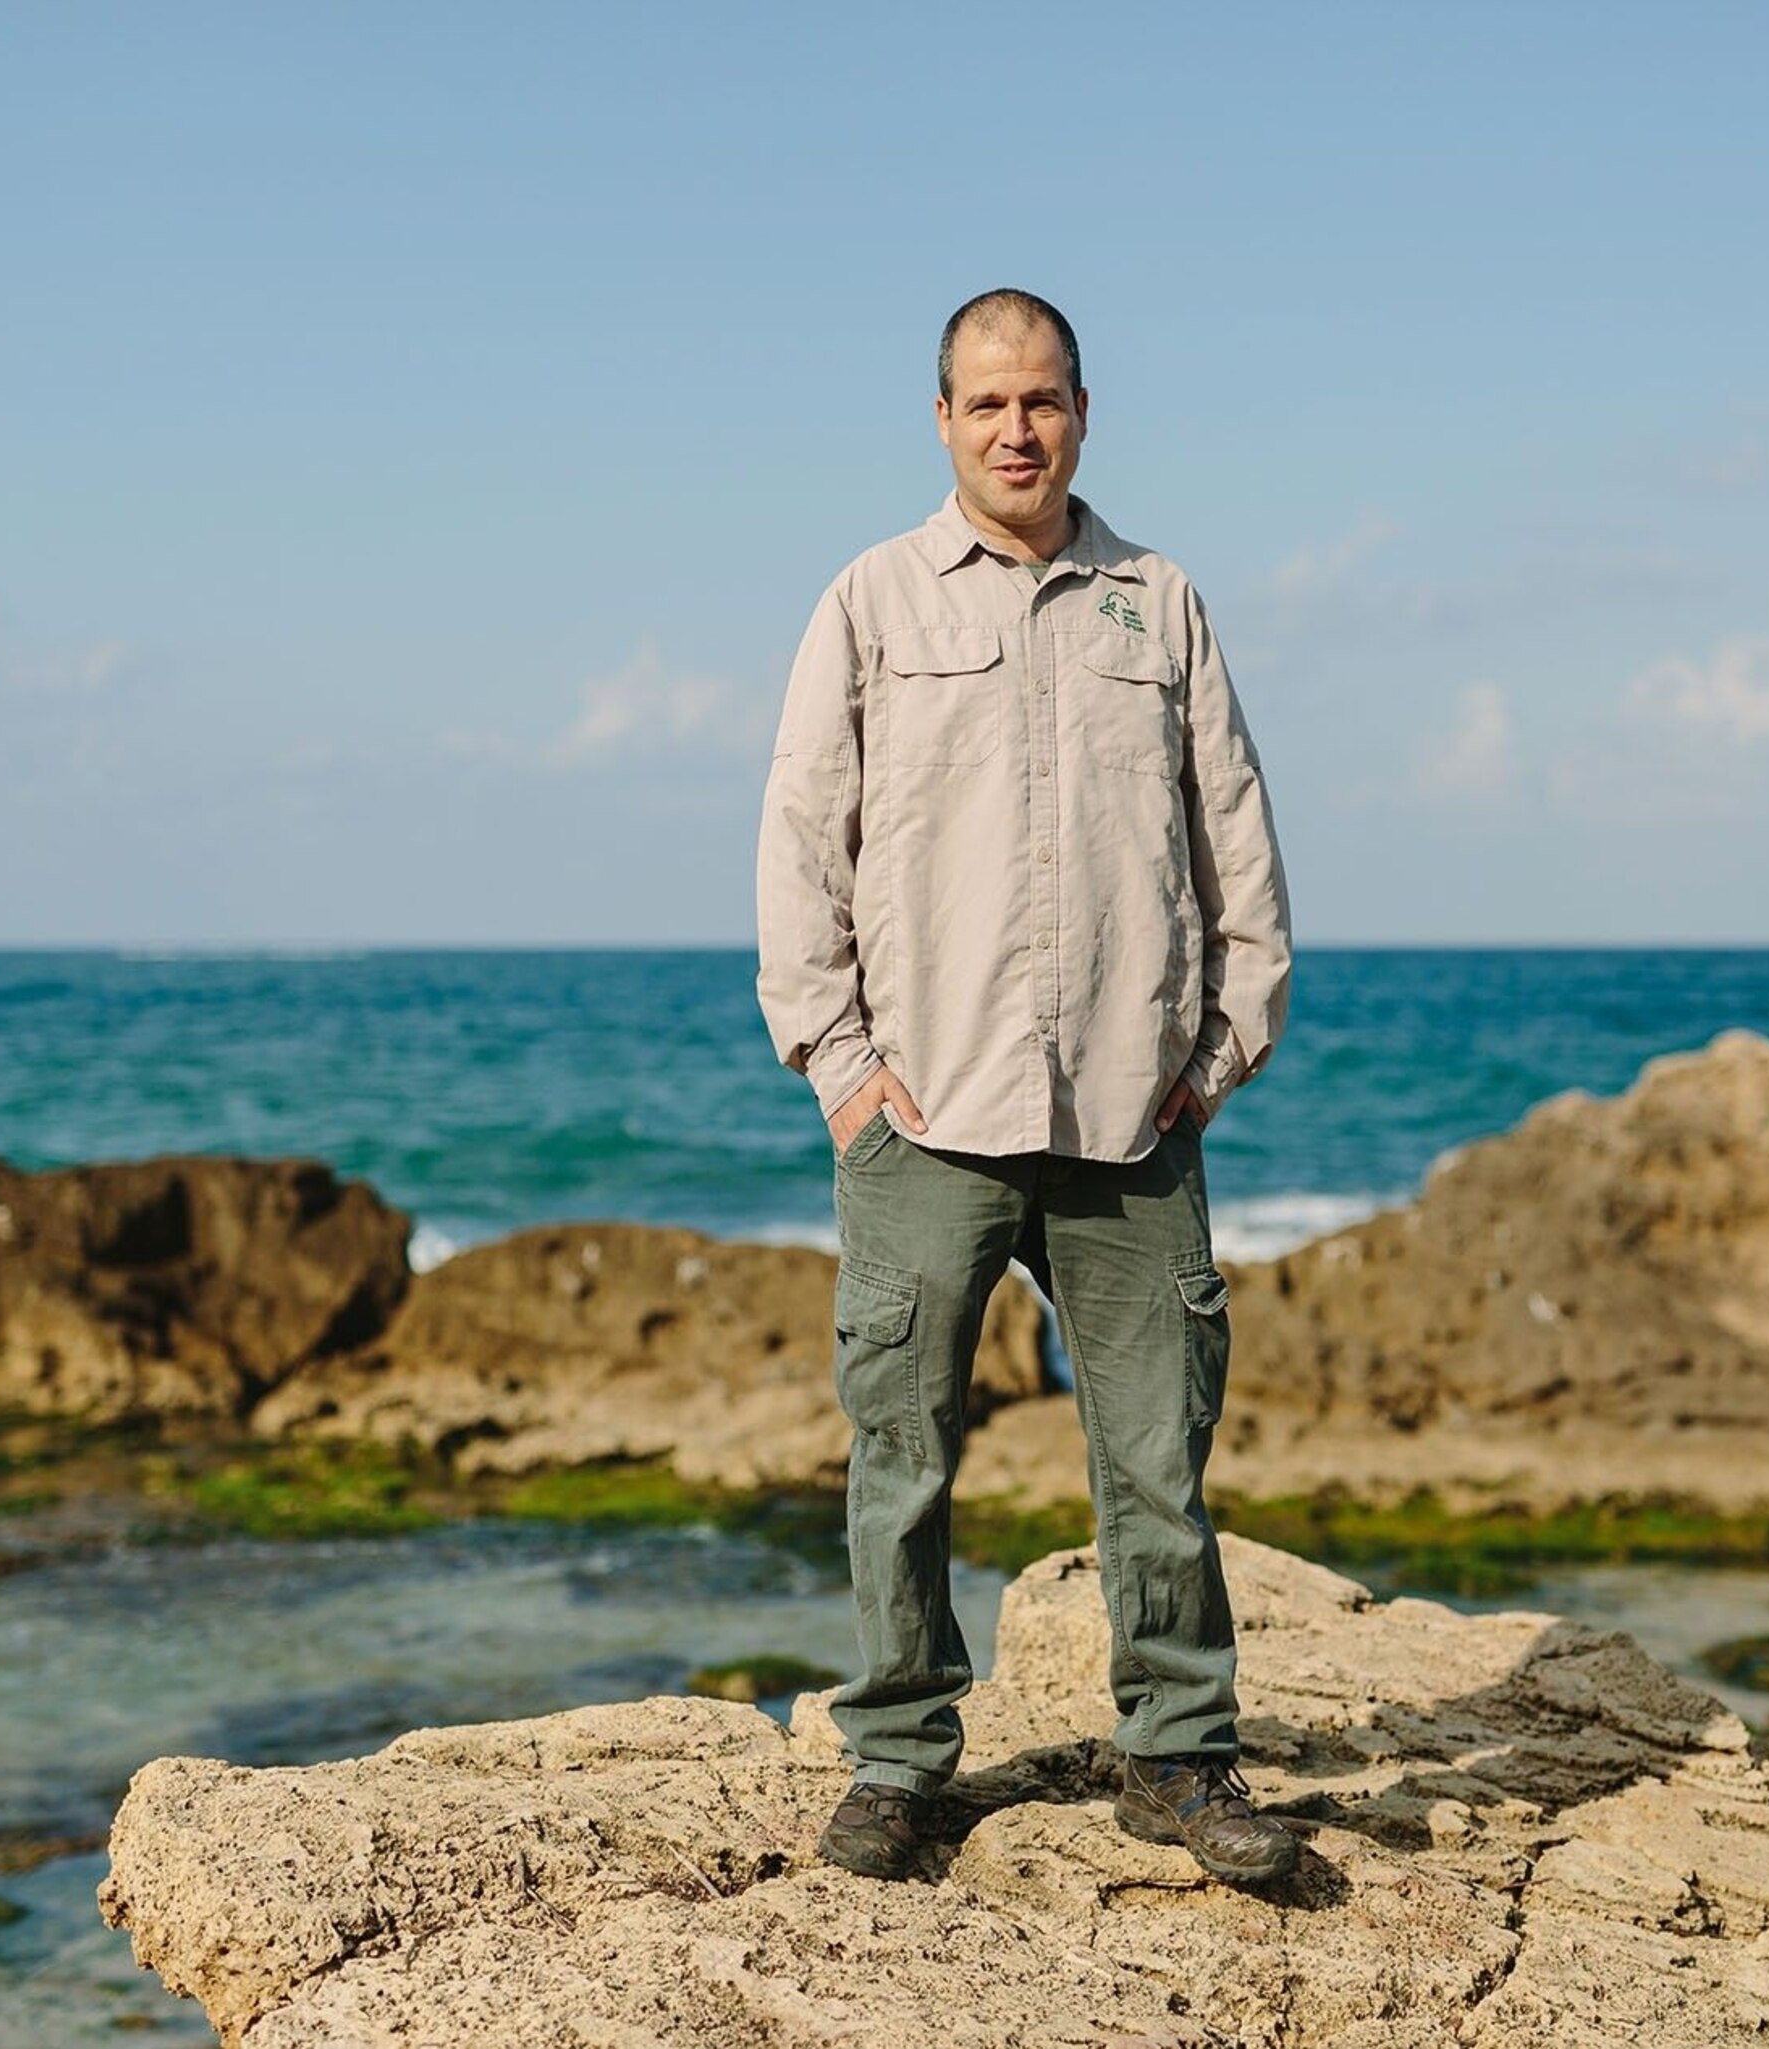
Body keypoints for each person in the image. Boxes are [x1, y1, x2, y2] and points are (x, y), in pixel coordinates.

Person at [753, 289, 1297, 1885]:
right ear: (941, 419)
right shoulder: (871, 601)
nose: (1016, 429)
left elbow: (1239, 849)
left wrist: (1214, 1057)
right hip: (923, 1121)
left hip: (1133, 1121)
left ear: (1081, 413)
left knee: (1157, 1461)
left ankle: (1183, 1760)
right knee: (902, 1454)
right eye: (986, 404)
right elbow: (801, 850)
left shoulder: (1162, 603)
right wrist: (845, 1075)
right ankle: (903, 1760)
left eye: (1043, 401)